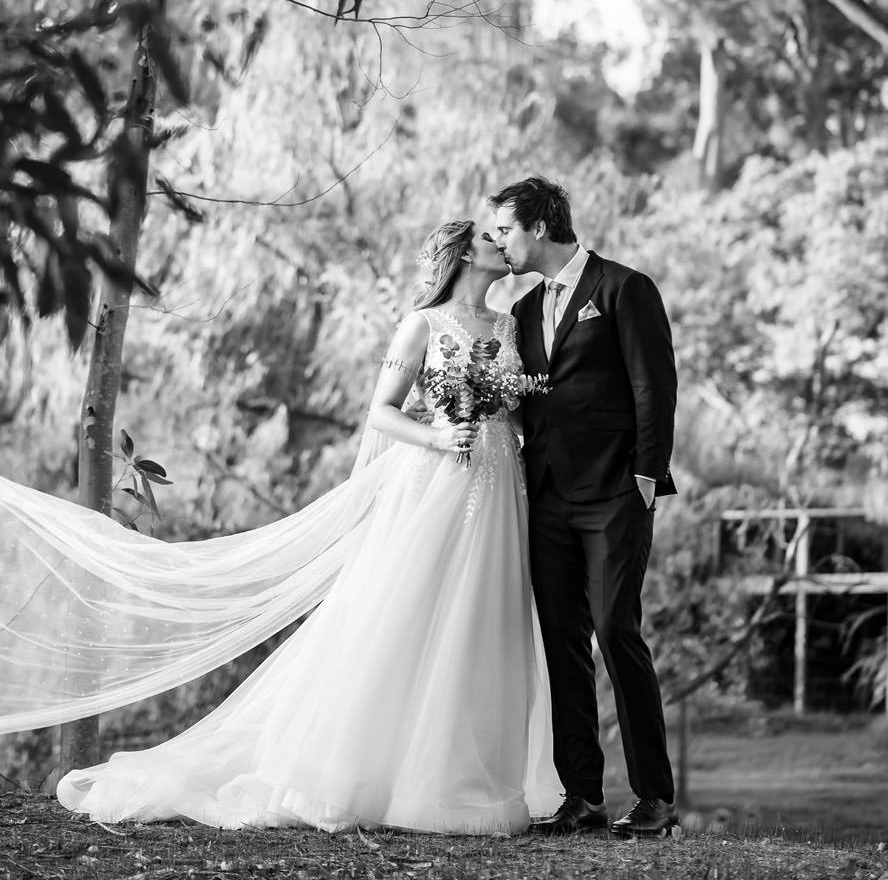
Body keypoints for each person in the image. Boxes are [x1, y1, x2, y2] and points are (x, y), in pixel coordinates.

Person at [0, 220, 560, 833]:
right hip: (437, 484)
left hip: (502, 481)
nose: (499, 242)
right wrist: (435, 433)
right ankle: (377, 772)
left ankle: (465, 772)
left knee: (484, 618)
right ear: (460, 254)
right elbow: (380, 411)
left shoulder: (509, 325)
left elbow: (519, 404)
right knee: (410, 615)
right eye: (488, 235)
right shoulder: (421, 326)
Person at [489, 176, 678, 839]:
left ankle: (656, 797)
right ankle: (582, 795)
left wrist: (647, 477)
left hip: (615, 496)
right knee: (562, 642)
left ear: (539, 225)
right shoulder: (519, 310)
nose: (499, 241)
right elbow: (528, 401)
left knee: (616, 630)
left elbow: (654, 386)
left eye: (506, 229)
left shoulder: (626, 289)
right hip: (547, 500)